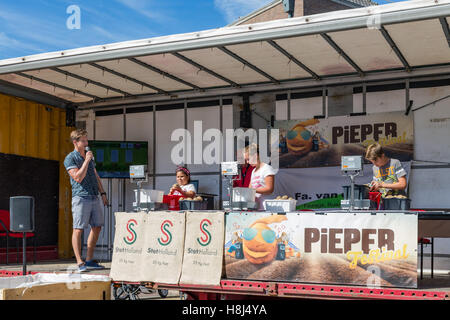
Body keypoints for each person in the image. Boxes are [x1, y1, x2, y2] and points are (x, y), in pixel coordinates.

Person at [64, 129, 109, 272]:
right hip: (81, 197)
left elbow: (95, 175)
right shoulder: (70, 158)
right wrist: (87, 160)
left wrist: (102, 193)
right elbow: (78, 177)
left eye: (86, 140)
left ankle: (89, 259)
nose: (86, 143)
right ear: (75, 142)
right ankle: (79, 262)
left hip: (94, 196)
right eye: (83, 141)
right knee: (78, 228)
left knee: (97, 226)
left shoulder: (89, 157)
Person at [246, 144, 276, 210]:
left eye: (248, 159)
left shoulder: (267, 168)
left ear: (256, 155)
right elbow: (250, 188)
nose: (247, 162)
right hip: (257, 207)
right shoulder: (253, 171)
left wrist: (252, 190)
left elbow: (269, 189)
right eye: (246, 160)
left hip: (267, 208)